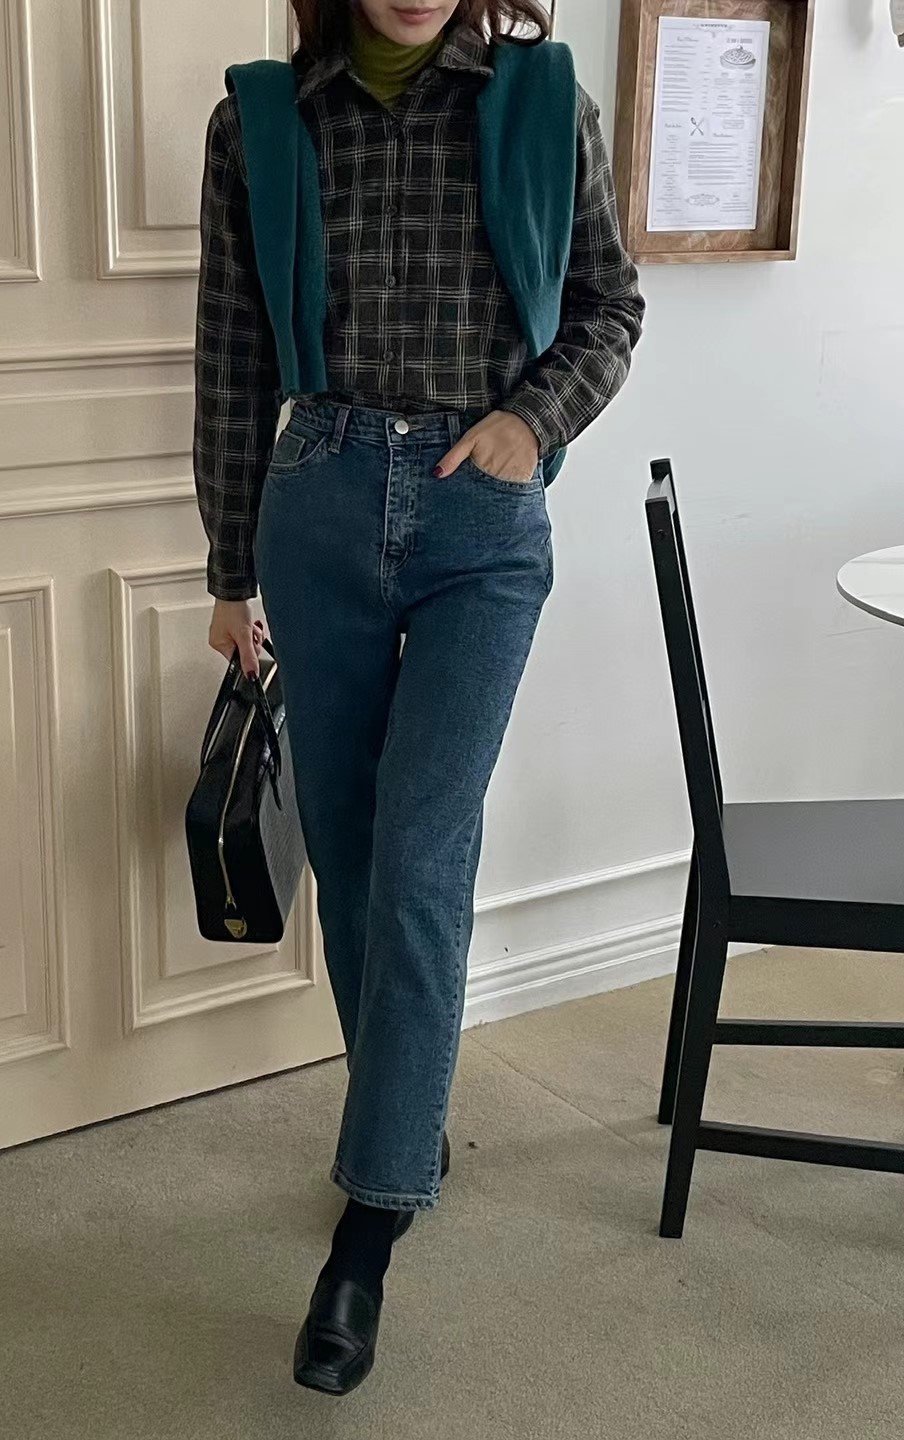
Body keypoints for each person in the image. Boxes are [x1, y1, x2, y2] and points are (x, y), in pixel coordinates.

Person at [193, 0, 644, 1396]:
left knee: (423, 854)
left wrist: (529, 422)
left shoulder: (542, 102)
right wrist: (227, 568)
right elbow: (233, 356)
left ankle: (370, 1224)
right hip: (318, 504)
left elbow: (609, 306)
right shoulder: (261, 121)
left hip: (480, 525)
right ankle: (406, 1114)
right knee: (348, 850)